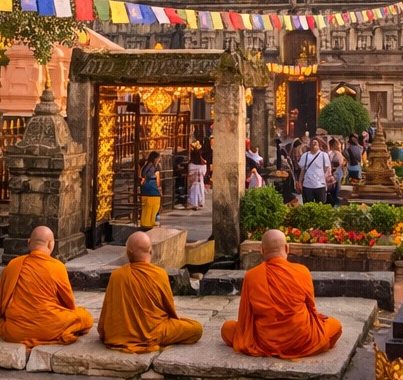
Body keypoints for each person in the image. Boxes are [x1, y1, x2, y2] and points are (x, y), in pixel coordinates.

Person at [220, 228, 341, 358]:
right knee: (336, 325)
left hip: (265, 342)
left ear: (262, 250)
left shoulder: (251, 276)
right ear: (287, 248)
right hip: (302, 341)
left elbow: (246, 317)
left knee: (227, 328)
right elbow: (311, 308)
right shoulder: (302, 271)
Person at [0, 227, 93, 348]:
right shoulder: (57, 267)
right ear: (51, 244)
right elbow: (69, 304)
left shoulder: (13, 264)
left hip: (15, 331)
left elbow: (0, 307)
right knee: (85, 317)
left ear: (29, 242)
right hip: (50, 328)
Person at [98, 231, 202, 352]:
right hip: (155, 332)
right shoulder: (160, 274)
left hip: (120, 335)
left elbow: (107, 315)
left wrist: (105, 331)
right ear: (150, 250)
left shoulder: (116, 275)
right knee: (196, 329)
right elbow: (169, 309)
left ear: (128, 252)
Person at [298, 137, 330, 204]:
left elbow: (327, 170)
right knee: (308, 205)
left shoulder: (324, 155)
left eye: (316, 143)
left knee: (320, 205)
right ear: (310, 145)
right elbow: (303, 170)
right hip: (307, 185)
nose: (314, 144)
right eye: (313, 143)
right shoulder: (305, 156)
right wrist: (300, 182)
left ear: (319, 145)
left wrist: (327, 182)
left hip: (320, 185)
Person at [140, 152, 162, 228]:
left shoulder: (146, 165)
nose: (159, 159)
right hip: (152, 186)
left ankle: (146, 222)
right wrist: (159, 189)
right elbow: (157, 179)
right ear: (155, 158)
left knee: (146, 206)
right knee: (155, 204)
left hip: (146, 186)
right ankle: (152, 221)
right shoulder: (155, 166)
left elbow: (142, 175)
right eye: (158, 158)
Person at [327, 138, 346, 207]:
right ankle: (336, 203)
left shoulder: (329, 153)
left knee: (332, 189)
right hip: (338, 173)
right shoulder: (338, 154)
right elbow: (342, 164)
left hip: (331, 173)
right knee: (337, 189)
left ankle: (331, 202)